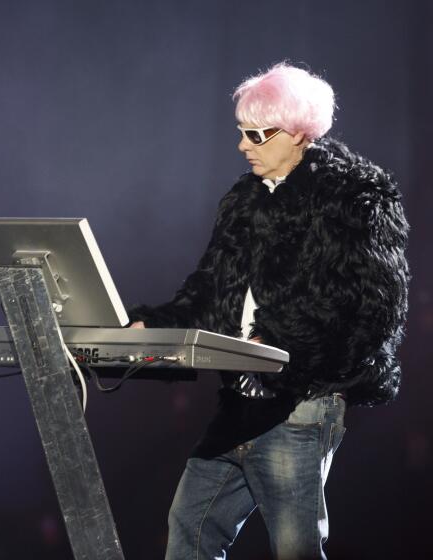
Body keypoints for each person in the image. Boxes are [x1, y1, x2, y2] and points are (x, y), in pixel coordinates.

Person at [129, 63, 409, 559]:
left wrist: (283, 341)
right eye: (242, 132)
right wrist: (157, 324)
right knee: (189, 530)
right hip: (240, 401)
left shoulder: (355, 197)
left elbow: (371, 306)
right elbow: (211, 288)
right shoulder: (243, 200)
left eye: (257, 134)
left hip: (301, 403)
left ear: (299, 133)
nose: (244, 145)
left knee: (295, 549)